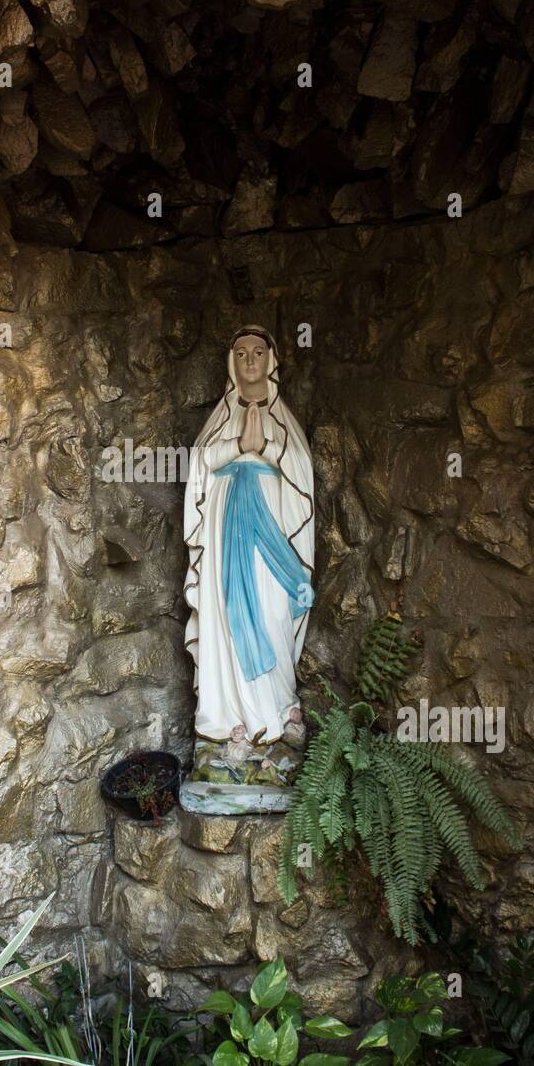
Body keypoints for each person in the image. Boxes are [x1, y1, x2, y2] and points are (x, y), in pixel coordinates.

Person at [183, 326, 315, 790]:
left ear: (272, 360)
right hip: (224, 531)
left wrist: (269, 449)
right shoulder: (220, 417)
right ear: (231, 363)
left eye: (259, 351)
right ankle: (230, 719)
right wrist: (238, 447)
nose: (250, 359)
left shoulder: (284, 419)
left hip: (270, 534)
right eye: (240, 352)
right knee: (226, 615)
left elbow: (300, 471)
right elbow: (200, 465)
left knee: (273, 610)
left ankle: (280, 712)